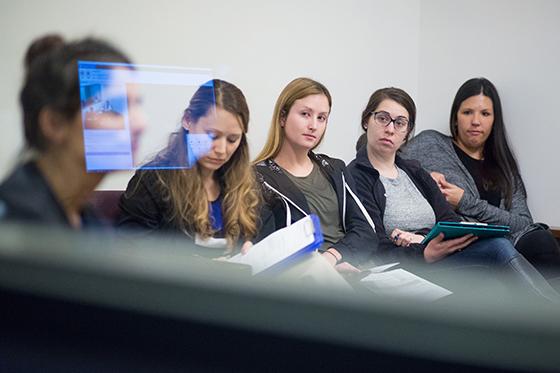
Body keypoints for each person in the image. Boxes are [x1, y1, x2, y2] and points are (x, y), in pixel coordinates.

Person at [347, 87, 559, 302]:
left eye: (400, 123)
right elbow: (373, 246)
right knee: (498, 250)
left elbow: (449, 219)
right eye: (382, 118)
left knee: (510, 247)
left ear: (407, 132)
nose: (390, 129)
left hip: (441, 253)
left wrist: (423, 239)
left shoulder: (415, 171)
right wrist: (424, 253)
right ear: (367, 120)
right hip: (410, 264)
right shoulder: (355, 176)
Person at [399, 78, 560, 277]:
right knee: (500, 248)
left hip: (509, 247)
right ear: (455, 116)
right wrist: (421, 177)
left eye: (485, 114)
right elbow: (386, 162)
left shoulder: (504, 167)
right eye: (467, 112)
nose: (475, 121)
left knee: (541, 241)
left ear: (494, 120)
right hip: (459, 247)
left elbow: (524, 224)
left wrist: (464, 202)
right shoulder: (431, 143)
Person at [0, 35, 144, 228]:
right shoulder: (15, 226)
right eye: (114, 108)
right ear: (54, 124)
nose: (141, 123)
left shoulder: (86, 220)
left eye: (137, 104)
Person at [119, 79, 274, 257]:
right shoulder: (153, 181)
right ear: (188, 120)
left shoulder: (248, 183)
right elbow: (132, 254)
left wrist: (253, 246)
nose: (221, 150)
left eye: (232, 140)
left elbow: (265, 233)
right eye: (211, 135)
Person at [253, 77, 378, 271]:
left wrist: (332, 256)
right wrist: (321, 267)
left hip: (352, 265)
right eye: (305, 114)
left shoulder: (335, 168)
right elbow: (266, 248)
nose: (314, 125)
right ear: (282, 117)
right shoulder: (258, 177)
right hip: (303, 278)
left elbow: (366, 231)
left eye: (322, 118)